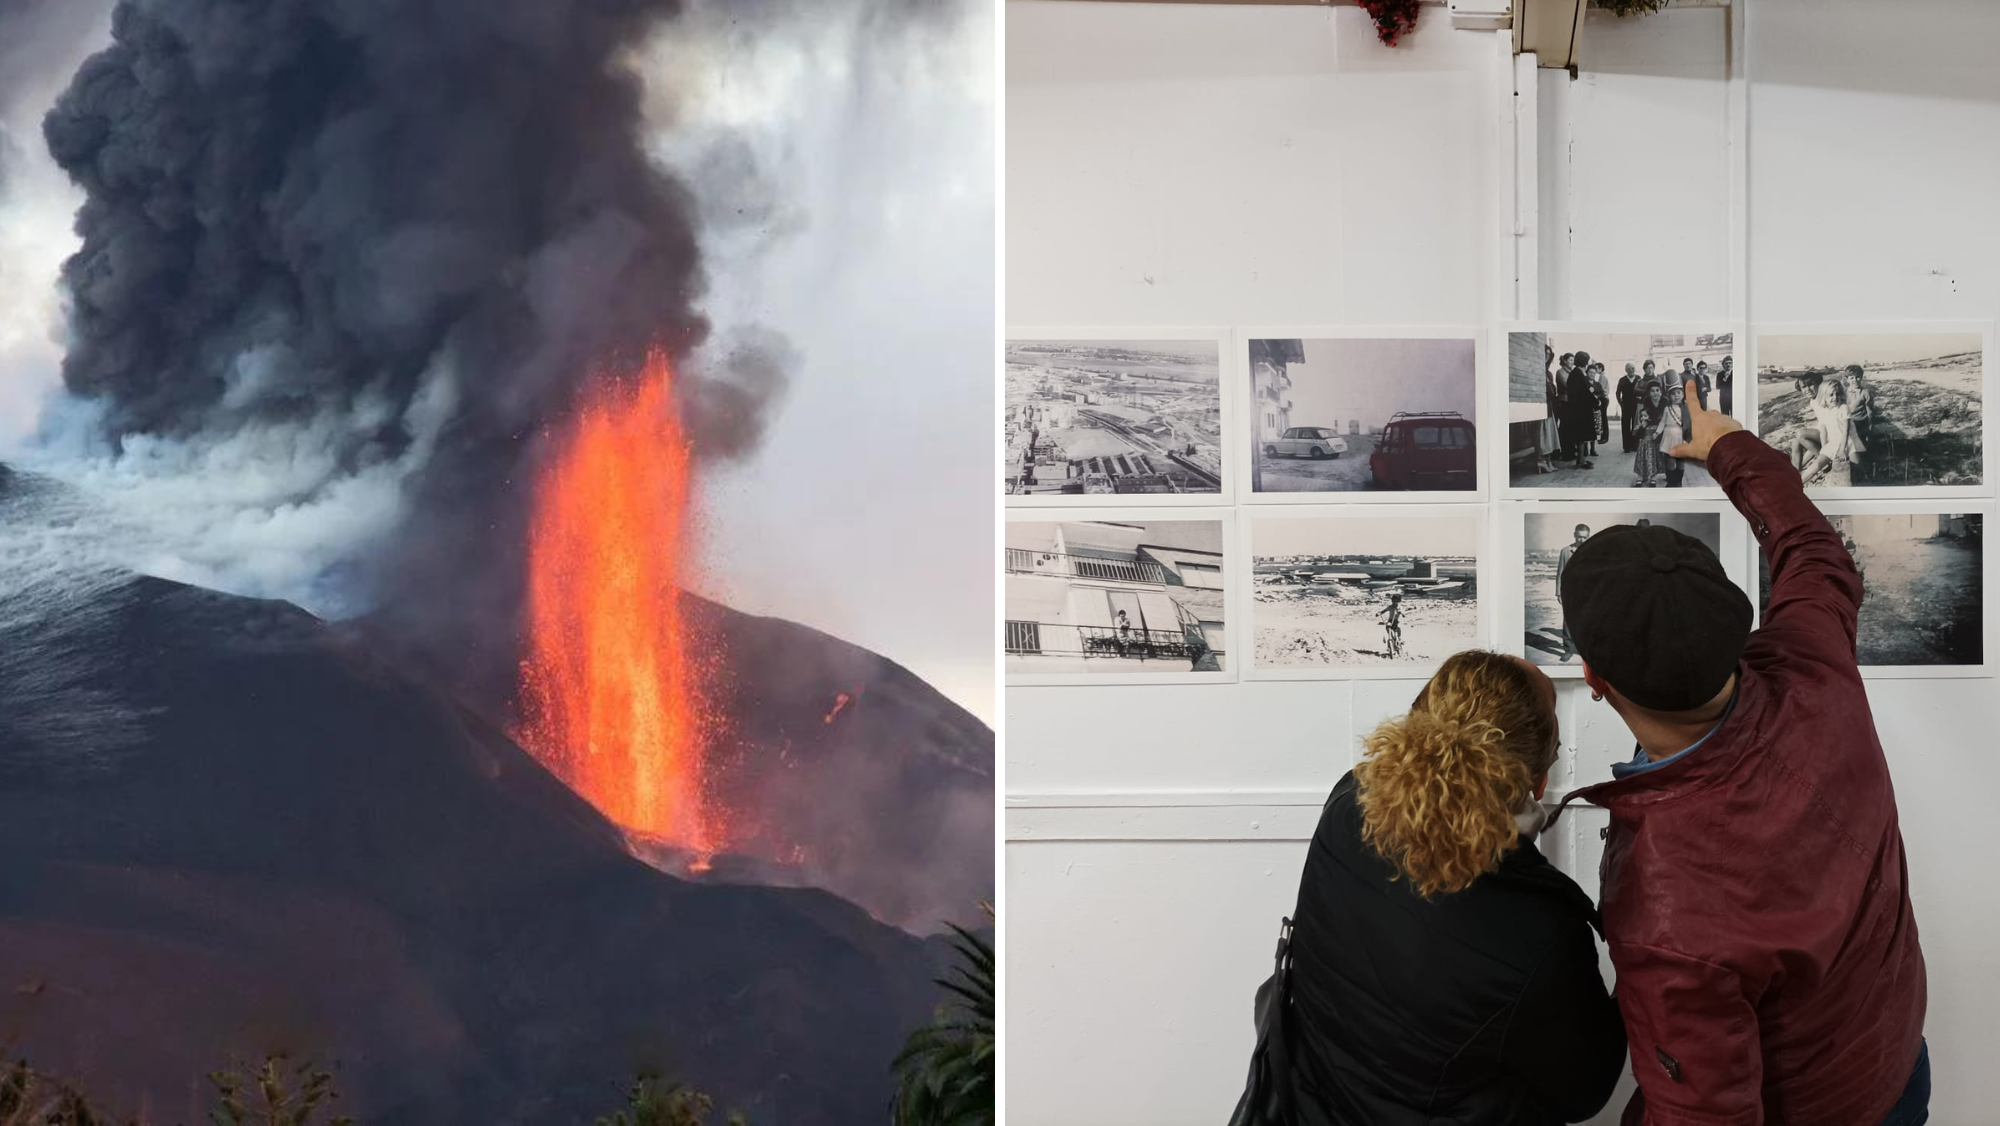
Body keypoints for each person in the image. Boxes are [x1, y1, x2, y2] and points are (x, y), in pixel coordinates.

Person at [1549, 380, 1928, 1126]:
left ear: (1592, 678)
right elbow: (1815, 553)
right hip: (1894, 1063)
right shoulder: (1815, 667)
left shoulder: (1665, 904)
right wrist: (1729, 447)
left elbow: (1705, 1113)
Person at [1286, 651, 1626, 1126]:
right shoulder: (1540, 931)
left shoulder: (1352, 801)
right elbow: (1585, 1092)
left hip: (1309, 1106)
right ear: (1537, 781)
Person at [1556, 524, 1588, 660]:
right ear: (1574, 535)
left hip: (1587, 592)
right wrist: (1559, 592)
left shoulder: (1593, 551)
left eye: (1585, 537)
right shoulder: (1565, 551)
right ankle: (1568, 650)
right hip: (1569, 592)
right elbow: (1560, 573)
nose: (1581, 540)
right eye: (1579, 537)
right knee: (1568, 621)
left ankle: (1585, 650)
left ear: (1588, 537)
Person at [1564, 351, 1597, 471]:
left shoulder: (1575, 373)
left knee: (1580, 436)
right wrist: (1595, 401)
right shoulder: (1578, 374)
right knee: (1581, 436)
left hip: (1578, 409)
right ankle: (1581, 461)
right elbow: (1585, 392)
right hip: (1580, 410)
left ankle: (1581, 459)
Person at [1631, 381, 1668, 487]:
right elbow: (1643, 415)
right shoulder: (1647, 400)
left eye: (1657, 390)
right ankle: (1641, 475)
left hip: (1662, 429)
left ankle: (1653, 477)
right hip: (1648, 428)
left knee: (1657, 451)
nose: (1655, 393)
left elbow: (1666, 418)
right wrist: (1642, 423)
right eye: (1652, 391)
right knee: (1643, 448)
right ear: (1649, 393)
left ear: (1661, 392)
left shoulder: (1665, 401)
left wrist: (1659, 431)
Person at [1660, 383, 1691, 488]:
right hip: (1669, 435)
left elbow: (1690, 423)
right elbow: (1662, 422)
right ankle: (1671, 482)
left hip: (1681, 436)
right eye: (1673, 394)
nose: (1676, 395)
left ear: (1683, 394)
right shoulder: (1667, 408)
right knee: (1670, 460)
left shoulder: (1686, 408)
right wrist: (1657, 432)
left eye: (1678, 393)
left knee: (1680, 460)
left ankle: (1678, 481)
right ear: (1669, 396)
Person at [1617, 363, 1640, 452]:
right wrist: (1621, 404)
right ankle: (1626, 446)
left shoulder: (1638, 379)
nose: (1631, 370)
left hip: (1636, 405)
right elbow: (1618, 393)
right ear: (1626, 370)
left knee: (1635, 425)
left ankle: (1634, 445)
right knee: (1625, 426)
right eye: (1629, 368)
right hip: (1625, 406)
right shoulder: (1622, 380)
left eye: (1633, 368)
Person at [1378, 593, 1404, 657]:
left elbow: (1403, 614)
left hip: (1396, 621)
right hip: (1390, 620)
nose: (1395, 603)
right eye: (1393, 601)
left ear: (1399, 601)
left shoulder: (1399, 607)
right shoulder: (1390, 607)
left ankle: (1399, 639)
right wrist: (1379, 613)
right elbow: (1384, 611)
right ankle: (1390, 642)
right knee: (1388, 627)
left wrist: (1401, 613)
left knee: (1398, 630)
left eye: (1396, 601)